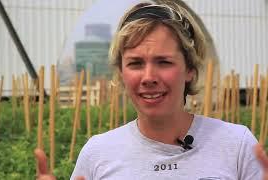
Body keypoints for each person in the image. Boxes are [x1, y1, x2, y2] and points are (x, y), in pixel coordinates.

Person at [35, 1, 268, 179]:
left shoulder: (236, 145)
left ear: (190, 70)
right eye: (135, 63)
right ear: (121, 73)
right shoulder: (98, 153)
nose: (148, 78)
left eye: (164, 62)